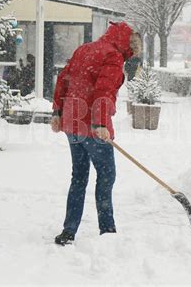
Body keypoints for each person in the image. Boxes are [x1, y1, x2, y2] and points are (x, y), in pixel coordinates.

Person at [51, 21, 142, 246]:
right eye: (133, 49)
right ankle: (107, 230)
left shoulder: (85, 48)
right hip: (92, 126)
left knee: (79, 178)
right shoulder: (113, 56)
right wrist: (100, 123)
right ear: (127, 44)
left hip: (72, 124)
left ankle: (69, 231)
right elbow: (103, 91)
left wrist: (57, 111)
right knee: (106, 176)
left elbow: (64, 79)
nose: (132, 55)